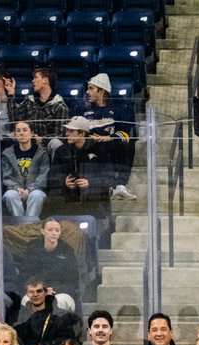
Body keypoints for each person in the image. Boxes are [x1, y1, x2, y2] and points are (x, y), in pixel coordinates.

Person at [49, 116, 114, 229]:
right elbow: (51, 177)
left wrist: (90, 182)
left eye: (71, 131)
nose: (67, 134)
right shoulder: (62, 151)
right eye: (67, 130)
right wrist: (64, 181)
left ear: (82, 133)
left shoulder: (99, 149)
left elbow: (109, 177)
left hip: (94, 204)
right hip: (69, 204)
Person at [81, 73, 135, 201]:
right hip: (90, 144)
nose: (87, 92)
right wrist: (91, 137)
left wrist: (109, 138)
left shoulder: (118, 110)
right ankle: (109, 185)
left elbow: (125, 133)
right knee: (101, 147)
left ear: (101, 91)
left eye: (91, 88)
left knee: (128, 145)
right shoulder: (83, 109)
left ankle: (120, 185)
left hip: (110, 144)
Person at [14, 276, 81, 345]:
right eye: (31, 292)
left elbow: (66, 338)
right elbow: (14, 335)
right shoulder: (20, 315)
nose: (35, 294)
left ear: (46, 292)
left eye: (39, 291)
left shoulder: (58, 314)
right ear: (26, 294)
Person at [17, 217, 81, 300]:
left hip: (60, 293)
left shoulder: (67, 251)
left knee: (61, 301)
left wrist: (54, 290)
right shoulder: (32, 249)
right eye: (50, 230)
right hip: (35, 291)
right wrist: (39, 291)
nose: (54, 233)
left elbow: (72, 281)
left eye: (57, 230)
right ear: (42, 231)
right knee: (26, 300)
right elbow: (24, 277)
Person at [1, 120, 50, 221]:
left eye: (25, 130)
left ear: (32, 133)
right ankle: (22, 226)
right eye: (18, 131)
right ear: (15, 135)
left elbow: (43, 176)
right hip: (16, 190)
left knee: (36, 195)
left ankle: (27, 227)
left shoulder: (42, 152)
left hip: (36, 190)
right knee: (9, 195)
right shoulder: (8, 153)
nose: (21, 133)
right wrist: (17, 188)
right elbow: (7, 176)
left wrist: (30, 189)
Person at [16, 66, 68, 151]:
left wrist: (41, 139)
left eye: (36, 78)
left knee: (55, 142)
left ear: (45, 80)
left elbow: (60, 134)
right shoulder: (28, 101)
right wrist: (11, 95)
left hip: (48, 145)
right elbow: (16, 119)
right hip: (28, 140)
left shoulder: (59, 106)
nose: (33, 81)